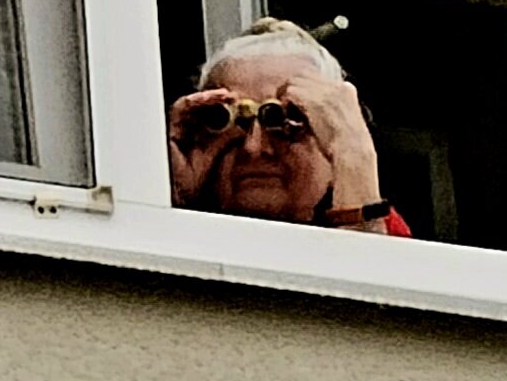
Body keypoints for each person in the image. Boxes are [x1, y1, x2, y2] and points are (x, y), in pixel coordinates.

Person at [168, 18, 411, 236]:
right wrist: (173, 198)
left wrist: (355, 161)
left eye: (288, 119)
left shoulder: (394, 244)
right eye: (234, 122)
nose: (254, 148)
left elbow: (368, 269)